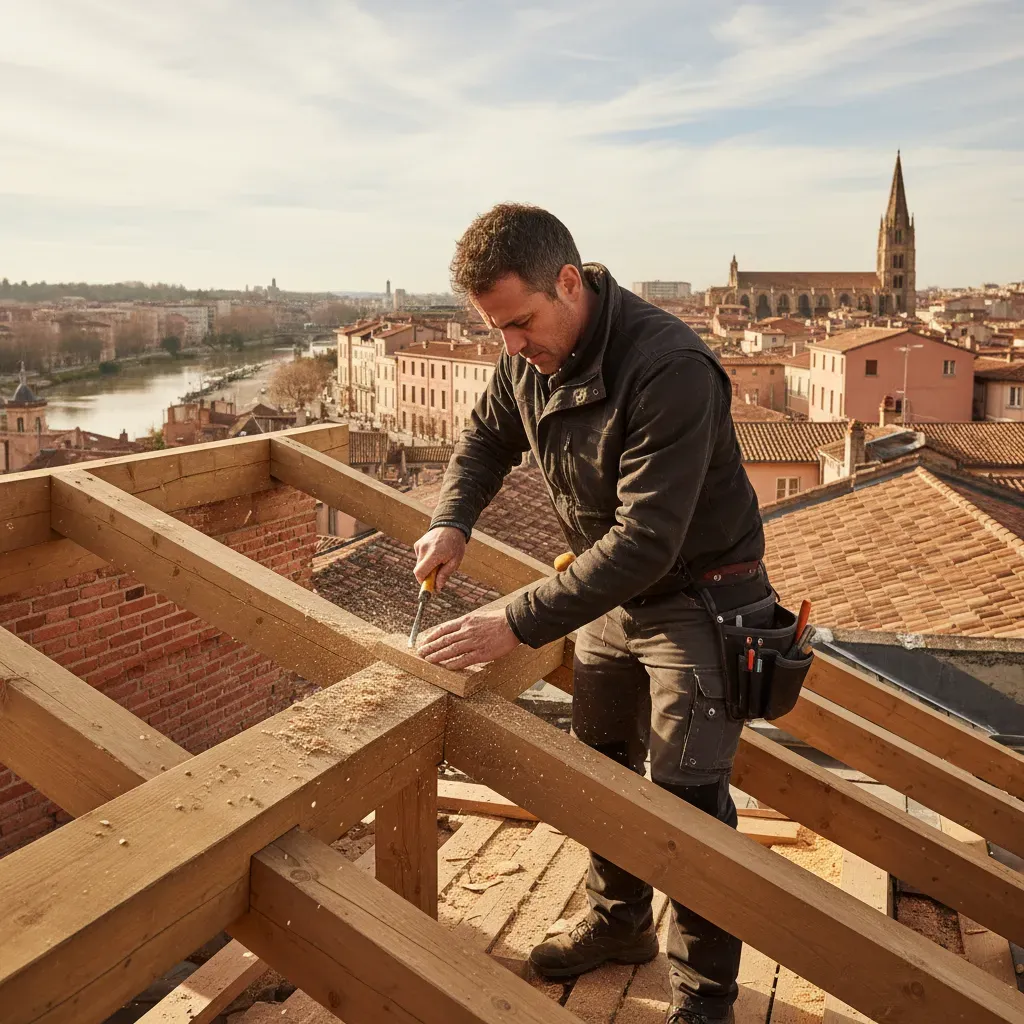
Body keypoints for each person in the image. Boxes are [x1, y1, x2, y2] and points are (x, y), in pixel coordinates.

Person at [412, 203, 772, 1024]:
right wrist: (451, 519)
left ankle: (706, 1003)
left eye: (522, 323)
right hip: (612, 597)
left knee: (686, 808)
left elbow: (647, 539)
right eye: (496, 329)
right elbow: (482, 443)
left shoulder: (668, 366)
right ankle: (619, 929)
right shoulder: (528, 358)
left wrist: (515, 621)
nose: (511, 347)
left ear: (569, 282)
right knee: (604, 770)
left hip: (701, 599)